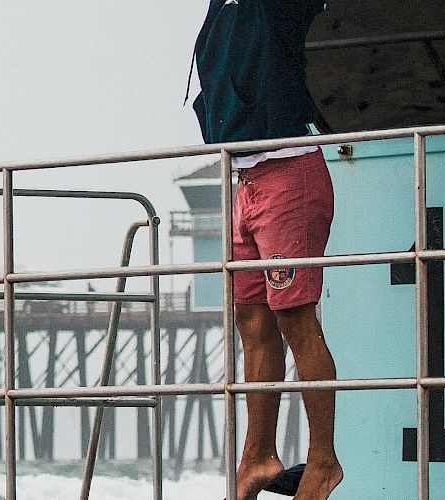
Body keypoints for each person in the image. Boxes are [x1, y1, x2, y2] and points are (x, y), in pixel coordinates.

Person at [191, 1, 340, 499]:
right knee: (252, 322)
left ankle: (323, 462)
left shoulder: (276, 9)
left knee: (297, 319)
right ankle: (258, 454)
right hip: (247, 179)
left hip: (290, 174)